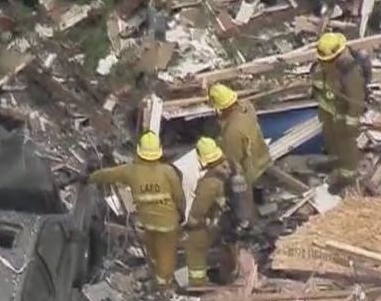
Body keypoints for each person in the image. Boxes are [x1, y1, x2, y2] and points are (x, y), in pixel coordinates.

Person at [86, 132, 184, 289]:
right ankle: (162, 286)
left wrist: (89, 177)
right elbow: (179, 196)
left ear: (139, 152)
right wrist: (181, 213)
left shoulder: (131, 170)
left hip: (148, 223)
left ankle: (156, 279)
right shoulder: (168, 171)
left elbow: (108, 174)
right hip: (168, 224)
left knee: (153, 252)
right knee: (166, 257)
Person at [310, 32, 367, 193]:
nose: (324, 63)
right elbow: (319, 86)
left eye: (327, 61)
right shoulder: (321, 67)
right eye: (322, 60)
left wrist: (351, 122)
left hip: (343, 116)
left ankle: (348, 176)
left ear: (337, 57)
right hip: (328, 113)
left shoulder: (350, 72)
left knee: (345, 146)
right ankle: (336, 164)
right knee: (331, 142)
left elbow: (356, 100)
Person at [207, 83, 271, 206]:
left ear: (221, 109)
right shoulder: (247, 107)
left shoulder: (232, 133)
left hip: (250, 170)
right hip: (262, 156)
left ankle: (247, 207)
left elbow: (232, 162)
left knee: (237, 190)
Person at [182, 137, 232, 288]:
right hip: (220, 221)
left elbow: (197, 213)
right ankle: (225, 275)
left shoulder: (209, 184)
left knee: (194, 250)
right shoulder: (225, 170)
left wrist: (189, 222)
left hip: (207, 224)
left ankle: (198, 284)